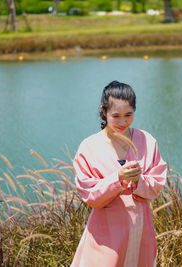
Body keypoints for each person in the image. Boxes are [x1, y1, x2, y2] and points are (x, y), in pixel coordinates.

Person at [71, 81, 168, 267]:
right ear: (103, 111)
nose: (122, 122)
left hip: (141, 231)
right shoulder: (89, 147)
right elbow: (89, 195)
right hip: (106, 236)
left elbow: (157, 184)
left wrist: (139, 180)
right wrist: (118, 179)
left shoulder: (147, 141)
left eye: (128, 115)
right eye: (115, 116)